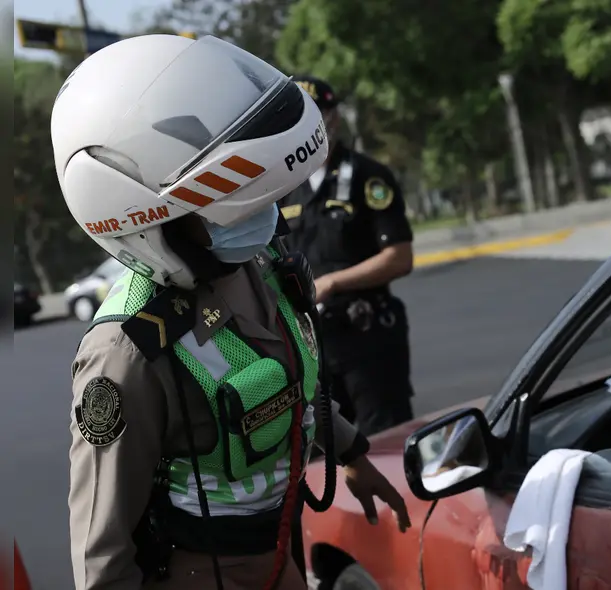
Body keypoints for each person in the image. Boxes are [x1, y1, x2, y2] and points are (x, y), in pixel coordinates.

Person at [55, 35, 410, 590]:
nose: (259, 211)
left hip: (278, 556)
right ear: (139, 211)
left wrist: (351, 453)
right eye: (228, 202)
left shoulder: (256, 262)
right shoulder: (125, 354)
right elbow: (101, 552)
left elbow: (295, 382)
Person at [279, 75, 416, 437]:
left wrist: (334, 282)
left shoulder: (368, 177)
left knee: (387, 443)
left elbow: (400, 258)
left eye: (317, 115)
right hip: (310, 347)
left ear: (334, 117)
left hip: (366, 340)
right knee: (323, 457)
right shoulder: (280, 188)